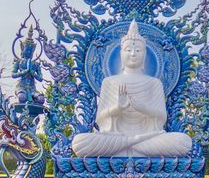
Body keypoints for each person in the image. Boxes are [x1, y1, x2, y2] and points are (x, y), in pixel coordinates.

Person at [72, 19, 191, 157]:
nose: (133, 54)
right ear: (121, 53)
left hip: (147, 138)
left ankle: (128, 146)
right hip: (116, 138)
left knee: (183, 142)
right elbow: (101, 119)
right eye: (128, 50)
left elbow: (161, 117)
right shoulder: (109, 82)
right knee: (79, 142)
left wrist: (143, 108)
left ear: (144, 54)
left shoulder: (154, 83)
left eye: (138, 50)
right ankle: (134, 145)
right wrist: (117, 108)